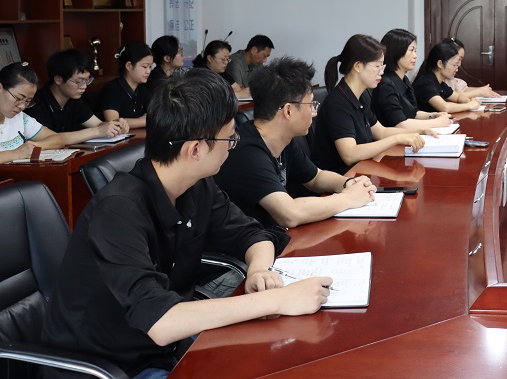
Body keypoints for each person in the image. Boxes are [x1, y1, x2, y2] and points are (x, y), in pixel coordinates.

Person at [40, 67, 332, 377]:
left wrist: (259, 270)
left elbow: (252, 235)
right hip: (109, 366)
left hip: (166, 350)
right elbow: (160, 321)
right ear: (195, 149)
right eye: (229, 138)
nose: (233, 144)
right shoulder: (118, 211)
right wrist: (276, 301)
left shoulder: (196, 186)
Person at [214, 56, 377, 230]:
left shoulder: (283, 140)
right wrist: (348, 198)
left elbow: (316, 178)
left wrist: (349, 183)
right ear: (288, 111)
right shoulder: (247, 152)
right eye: (311, 104)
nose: (314, 112)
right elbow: (289, 214)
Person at [311, 34, 427, 174]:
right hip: (341, 178)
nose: (381, 72)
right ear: (358, 66)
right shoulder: (338, 102)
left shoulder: (360, 96)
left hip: (362, 172)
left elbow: (381, 132)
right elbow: (350, 154)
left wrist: (421, 131)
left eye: (382, 66)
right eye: (377, 66)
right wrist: (397, 138)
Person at [26, 48, 129, 137]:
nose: (84, 86)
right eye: (79, 82)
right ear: (58, 79)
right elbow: (53, 139)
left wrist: (115, 126)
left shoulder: (74, 99)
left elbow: (98, 125)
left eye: (87, 80)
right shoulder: (35, 104)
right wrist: (97, 131)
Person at [372, 29, 455, 131]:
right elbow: (400, 124)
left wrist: (433, 115)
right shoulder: (386, 84)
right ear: (396, 51)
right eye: (411, 50)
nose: (415, 56)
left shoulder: (404, 79)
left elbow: (413, 113)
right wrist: (437, 122)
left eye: (415, 51)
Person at [413, 40, 482, 114]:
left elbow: (457, 97)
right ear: (440, 64)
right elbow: (445, 107)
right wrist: (468, 106)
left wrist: (470, 101)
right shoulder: (425, 83)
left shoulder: (440, 84)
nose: (457, 69)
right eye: (454, 65)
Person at [98, 42, 153, 129]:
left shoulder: (143, 90)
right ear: (129, 66)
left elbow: (156, 115)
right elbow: (113, 122)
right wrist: (145, 121)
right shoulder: (112, 89)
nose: (148, 71)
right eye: (144, 66)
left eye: (150, 67)